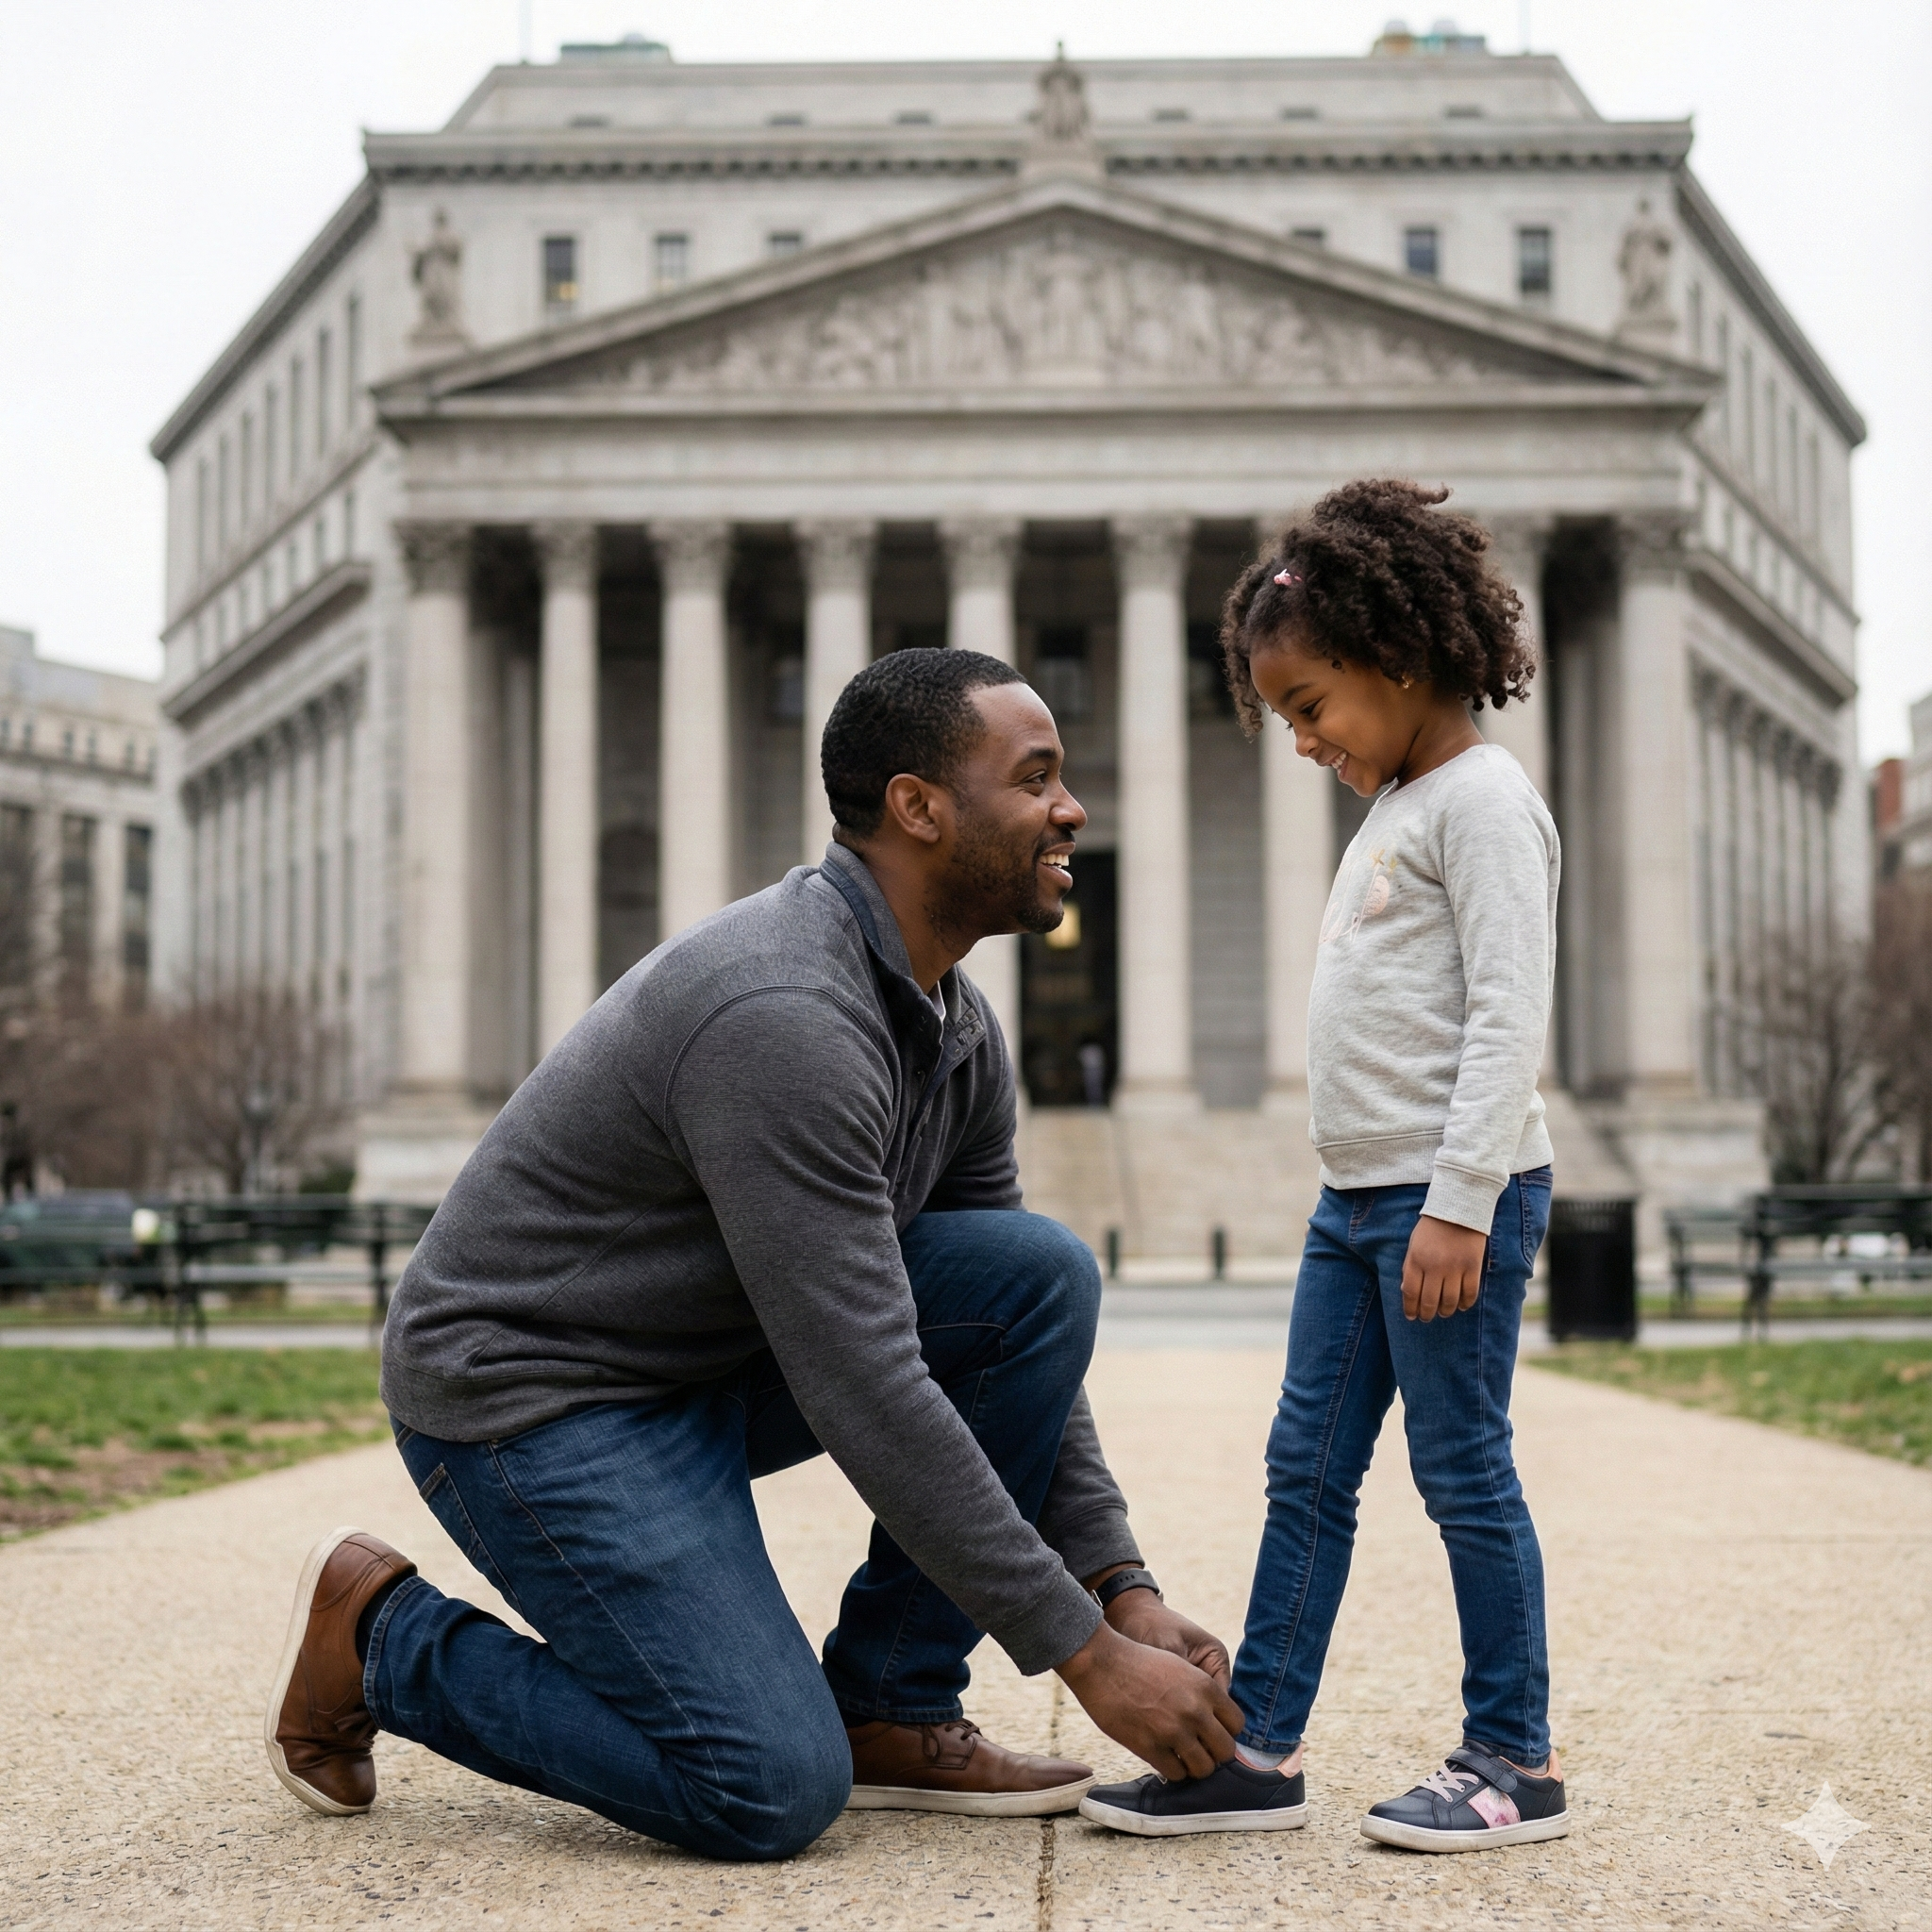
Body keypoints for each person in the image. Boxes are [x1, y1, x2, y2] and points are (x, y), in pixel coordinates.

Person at [265, 647, 1242, 1860]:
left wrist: (1117, 1581)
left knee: (1033, 1271)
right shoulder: (782, 1014)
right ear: (918, 806)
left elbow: (998, 1328)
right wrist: (1084, 1657)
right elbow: (869, 1381)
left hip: (703, 1358)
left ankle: (892, 1701)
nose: (1071, 807)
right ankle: (382, 1638)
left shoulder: (954, 1023)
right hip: (536, 1396)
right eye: (1035, 776)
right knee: (764, 1785)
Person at [1081, 480, 1566, 1852]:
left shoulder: (1481, 802)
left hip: (1444, 1204)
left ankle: (1513, 1758)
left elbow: (1504, 1016)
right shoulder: (1401, 800)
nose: (1300, 739)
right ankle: (1264, 1746)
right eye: (1284, 715)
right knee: (1306, 1469)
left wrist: (1461, 1204)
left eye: (1311, 707)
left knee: (1464, 1474)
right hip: (1355, 1203)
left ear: (1401, 663)